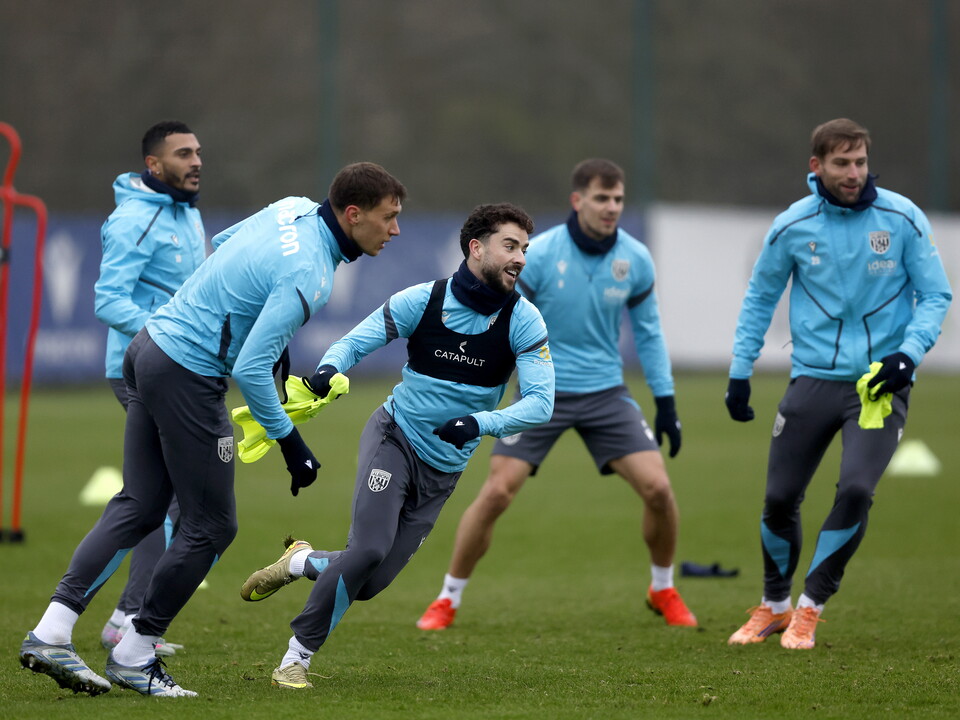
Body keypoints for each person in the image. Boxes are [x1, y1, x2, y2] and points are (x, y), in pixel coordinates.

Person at [19, 162, 407, 697]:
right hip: (187, 374)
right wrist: (292, 447)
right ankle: (134, 653)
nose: (395, 230)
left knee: (139, 505)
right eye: (388, 218)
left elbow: (226, 243)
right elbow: (250, 370)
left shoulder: (290, 205)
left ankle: (52, 632)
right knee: (212, 527)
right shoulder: (311, 274)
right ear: (354, 214)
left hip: (148, 346)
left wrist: (250, 323)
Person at [239, 202, 554, 690]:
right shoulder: (423, 300)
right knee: (365, 551)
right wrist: (329, 368)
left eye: (525, 249)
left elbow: (540, 404)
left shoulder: (523, 321)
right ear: (476, 248)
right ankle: (294, 659)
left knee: (369, 583)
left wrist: (478, 422)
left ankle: (300, 561)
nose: (520, 259)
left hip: (443, 470)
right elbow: (355, 341)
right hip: (394, 437)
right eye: (510, 246)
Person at [416, 159, 697, 632]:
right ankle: (448, 598)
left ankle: (663, 587)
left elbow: (648, 333)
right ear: (578, 200)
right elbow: (502, 320)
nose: (611, 207)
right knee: (498, 492)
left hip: (607, 393)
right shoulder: (539, 254)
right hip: (540, 392)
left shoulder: (636, 258)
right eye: (602, 198)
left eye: (618, 199)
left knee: (659, 489)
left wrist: (666, 403)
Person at [724, 118, 952, 650]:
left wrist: (908, 354)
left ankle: (810, 607)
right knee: (779, 499)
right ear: (816, 167)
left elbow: (936, 295)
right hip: (811, 381)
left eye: (860, 162)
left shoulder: (901, 218)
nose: (853, 174)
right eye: (841, 163)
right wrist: (740, 372)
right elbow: (760, 299)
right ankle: (773, 606)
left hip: (878, 386)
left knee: (855, 490)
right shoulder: (791, 226)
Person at [93, 120, 205, 658]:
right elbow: (108, 300)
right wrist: (164, 335)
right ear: (154, 165)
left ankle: (127, 617)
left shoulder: (187, 212)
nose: (197, 161)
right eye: (184, 153)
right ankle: (125, 618)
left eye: (198, 152)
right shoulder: (134, 219)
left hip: (178, 368)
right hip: (141, 369)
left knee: (172, 499)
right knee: (168, 499)